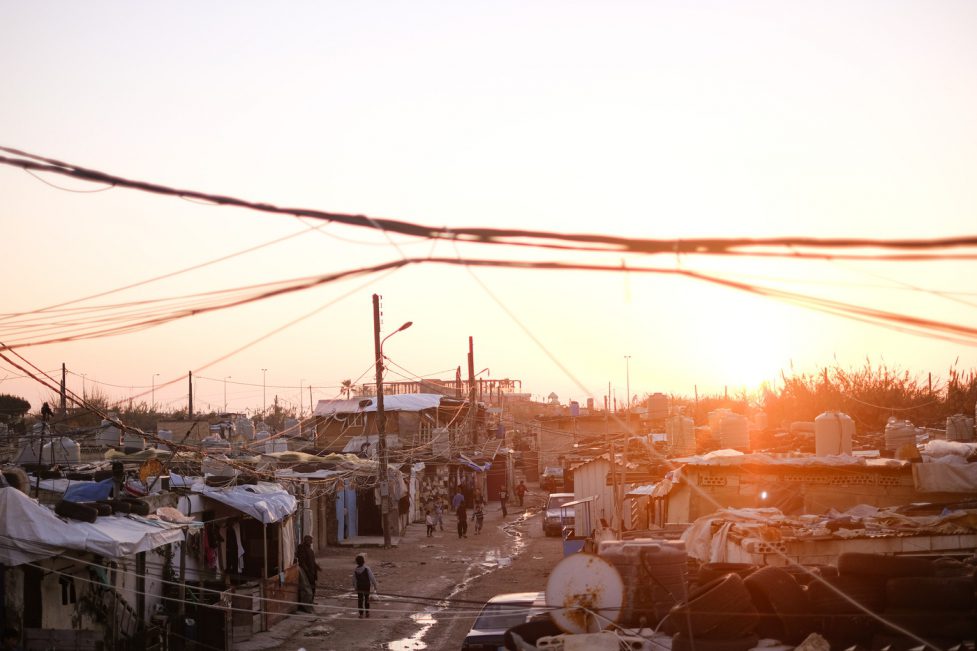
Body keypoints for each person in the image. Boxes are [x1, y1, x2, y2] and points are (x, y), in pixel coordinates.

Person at [295, 535, 321, 613]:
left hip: (312, 571)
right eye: (310, 540)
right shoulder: (302, 548)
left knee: (313, 587)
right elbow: (302, 562)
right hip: (307, 572)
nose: (311, 541)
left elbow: (312, 560)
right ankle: (305, 605)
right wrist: (307, 571)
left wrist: (317, 567)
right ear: (306, 540)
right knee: (307, 589)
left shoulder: (309, 549)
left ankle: (310, 602)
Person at [353, 554, 379, 619]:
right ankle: (367, 613)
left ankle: (361, 614)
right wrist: (375, 585)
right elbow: (372, 577)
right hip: (366, 586)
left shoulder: (355, 570)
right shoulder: (367, 568)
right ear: (364, 561)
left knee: (360, 600)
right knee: (367, 599)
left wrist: (355, 587)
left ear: (357, 562)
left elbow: (354, 580)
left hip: (359, 586)